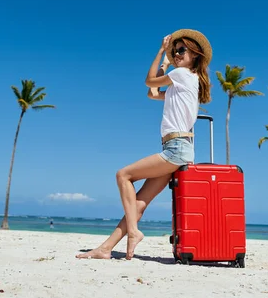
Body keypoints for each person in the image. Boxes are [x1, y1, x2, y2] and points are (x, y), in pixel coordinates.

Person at [76, 29, 212, 260]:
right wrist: (166, 65)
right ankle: (106, 248)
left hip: (176, 149)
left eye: (182, 50)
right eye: (174, 50)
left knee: (123, 175)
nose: (177, 54)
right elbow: (153, 93)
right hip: (179, 148)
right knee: (137, 203)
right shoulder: (184, 82)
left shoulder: (182, 75)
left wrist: (161, 52)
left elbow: (148, 81)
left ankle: (133, 232)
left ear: (195, 55)